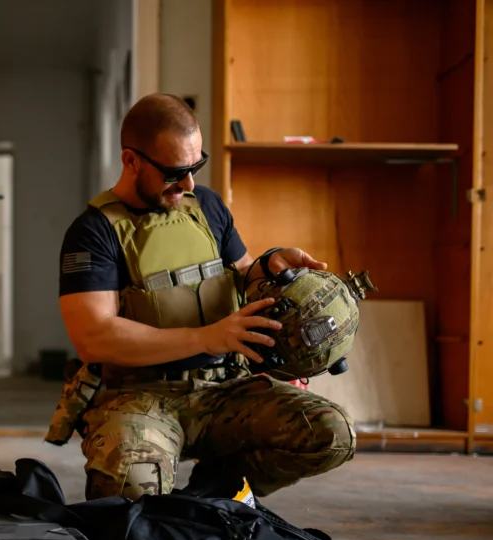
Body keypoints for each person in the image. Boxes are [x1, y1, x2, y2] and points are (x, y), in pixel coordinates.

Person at [49, 93, 355, 502]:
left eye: (196, 166)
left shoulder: (206, 206)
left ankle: (216, 493)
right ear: (131, 160)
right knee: (130, 486)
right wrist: (208, 337)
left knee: (331, 434)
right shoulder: (93, 232)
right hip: (138, 395)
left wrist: (270, 265)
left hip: (223, 387)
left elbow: (244, 272)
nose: (189, 183)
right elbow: (94, 337)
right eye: (175, 172)